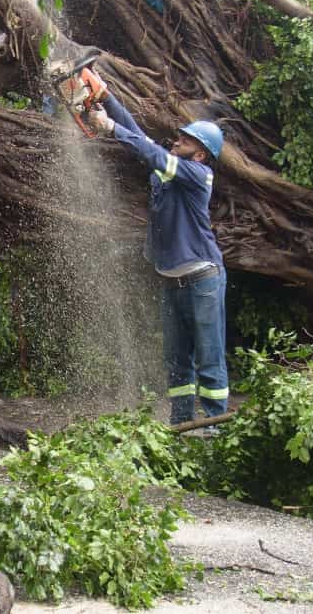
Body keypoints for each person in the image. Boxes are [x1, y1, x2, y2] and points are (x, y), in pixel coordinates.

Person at [88, 89, 228, 426]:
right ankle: (181, 427)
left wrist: (109, 129)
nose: (178, 138)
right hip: (172, 281)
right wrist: (106, 97)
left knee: (208, 358)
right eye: (181, 135)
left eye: (188, 139)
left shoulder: (197, 176)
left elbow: (149, 152)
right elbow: (138, 136)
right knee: (176, 360)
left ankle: (215, 430)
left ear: (201, 155)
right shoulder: (169, 172)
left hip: (203, 279)